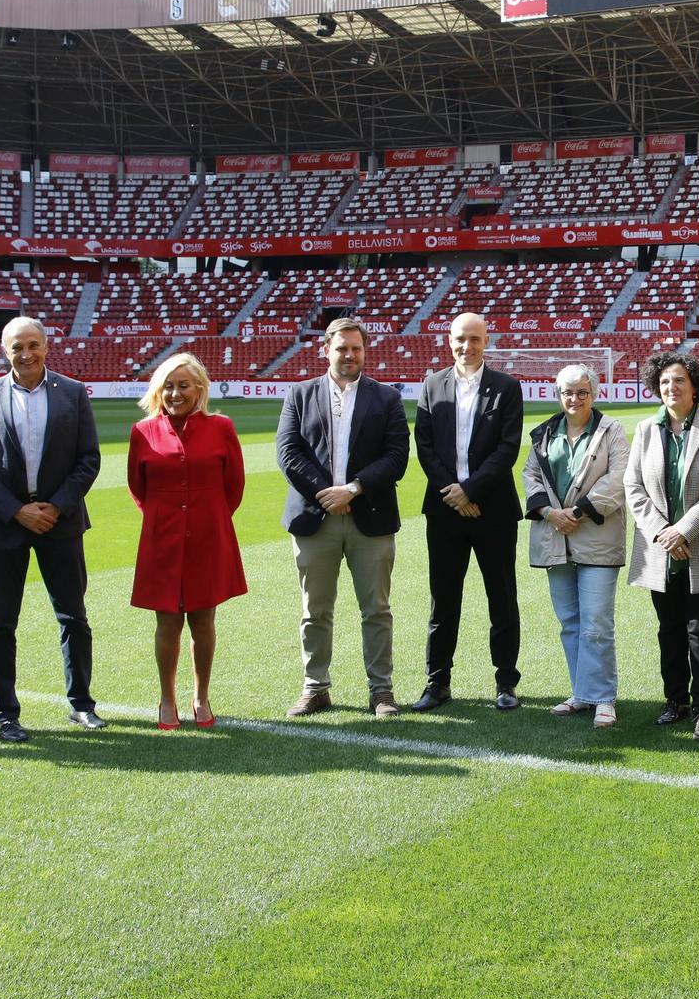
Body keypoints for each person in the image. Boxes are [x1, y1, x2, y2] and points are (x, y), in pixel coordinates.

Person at [0, 316, 104, 741]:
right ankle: (5, 713)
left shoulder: (73, 394)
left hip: (60, 523)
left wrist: (55, 507)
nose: (26, 354)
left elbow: (88, 460)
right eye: (17, 347)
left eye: (33, 345)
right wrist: (17, 511)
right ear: (5, 351)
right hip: (5, 526)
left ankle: (81, 705)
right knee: (0, 624)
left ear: (46, 346)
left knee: (73, 617)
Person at [276, 317, 410, 719]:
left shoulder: (386, 398)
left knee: (377, 609)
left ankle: (381, 692)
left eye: (356, 348)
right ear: (326, 350)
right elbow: (287, 453)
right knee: (314, 610)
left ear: (364, 351)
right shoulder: (299, 394)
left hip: (370, 515)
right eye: (341, 348)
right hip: (314, 518)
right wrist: (327, 493)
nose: (349, 355)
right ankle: (315, 688)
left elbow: (396, 457)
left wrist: (352, 489)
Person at [412, 312, 526, 712]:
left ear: (486, 341)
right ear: (449, 340)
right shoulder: (431, 385)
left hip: (492, 510)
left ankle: (506, 682)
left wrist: (471, 490)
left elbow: (507, 449)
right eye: (461, 339)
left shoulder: (507, 387)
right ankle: (437, 682)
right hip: (444, 510)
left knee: (502, 598)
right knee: (443, 600)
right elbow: (424, 445)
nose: (467, 346)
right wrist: (454, 494)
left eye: (475, 339)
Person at [127, 352, 247, 731]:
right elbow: (138, 488)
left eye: (183, 385)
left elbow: (234, 486)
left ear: (199, 388)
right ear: (158, 390)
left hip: (209, 537)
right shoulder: (142, 431)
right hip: (161, 539)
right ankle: (167, 698)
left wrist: (207, 517)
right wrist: (168, 519)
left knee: (203, 621)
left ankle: (201, 696)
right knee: (167, 621)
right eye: (168, 386)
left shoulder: (222, 427)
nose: (175, 393)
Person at [626, 350, 699, 742]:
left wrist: (684, 531)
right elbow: (633, 487)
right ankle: (675, 699)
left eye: (679, 381)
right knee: (669, 629)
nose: (671, 388)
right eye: (664, 382)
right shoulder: (644, 430)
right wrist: (663, 532)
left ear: (695, 388)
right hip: (660, 549)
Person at [522, 364, 628, 728]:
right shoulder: (544, 433)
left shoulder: (611, 430)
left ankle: (602, 697)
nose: (574, 398)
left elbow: (619, 479)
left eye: (581, 392)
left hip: (596, 537)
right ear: (558, 394)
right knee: (570, 622)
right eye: (567, 392)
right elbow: (530, 474)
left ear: (593, 394)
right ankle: (582, 693)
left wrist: (578, 512)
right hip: (556, 537)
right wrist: (551, 513)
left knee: (596, 623)